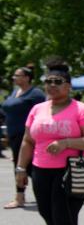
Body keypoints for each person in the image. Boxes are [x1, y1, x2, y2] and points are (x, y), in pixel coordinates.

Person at [15, 61, 84, 225]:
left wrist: (66, 143)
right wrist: (20, 168)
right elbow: (28, 140)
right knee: (45, 211)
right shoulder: (37, 109)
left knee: (63, 213)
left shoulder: (82, 109)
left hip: (72, 170)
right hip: (40, 169)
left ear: (68, 86)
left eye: (57, 82)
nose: (52, 86)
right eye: (48, 82)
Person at [3, 65, 45, 208]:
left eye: (17, 75)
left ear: (27, 78)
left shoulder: (36, 94)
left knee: (31, 167)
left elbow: (44, 113)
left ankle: (48, 193)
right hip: (14, 134)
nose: (14, 78)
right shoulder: (15, 91)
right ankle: (20, 197)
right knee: (20, 166)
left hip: (29, 135)